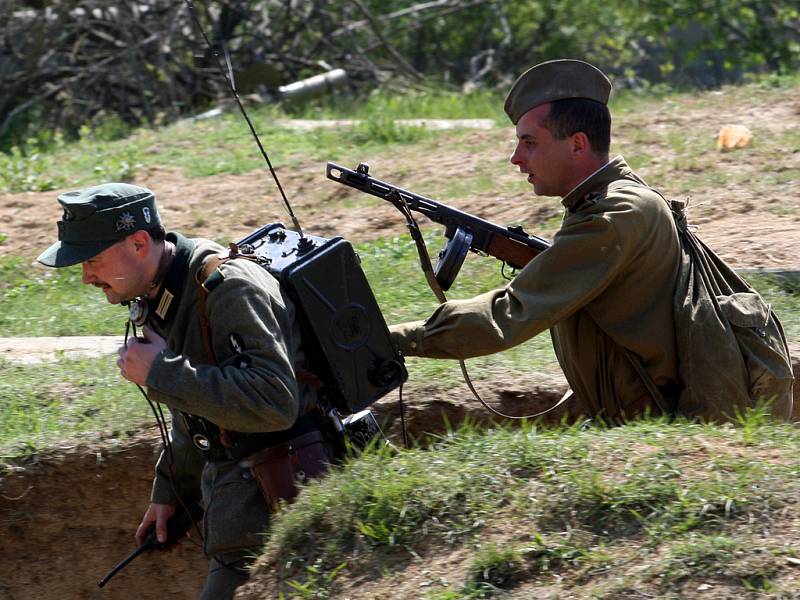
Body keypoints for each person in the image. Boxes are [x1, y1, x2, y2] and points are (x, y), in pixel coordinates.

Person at [37, 183, 325, 599]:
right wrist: (173, 492)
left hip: (292, 510)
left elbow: (275, 402)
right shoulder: (161, 294)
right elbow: (198, 414)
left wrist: (162, 372)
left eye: (92, 260)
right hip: (244, 515)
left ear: (138, 243)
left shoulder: (227, 288)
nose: (86, 277)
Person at [389, 59, 685, 422]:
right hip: (639, 415)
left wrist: (396, 338)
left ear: (578, 144)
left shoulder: (614, 214)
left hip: (655, 423)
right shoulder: (608, 200)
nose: (516, 158)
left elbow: (511, 313)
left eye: (529, 142)